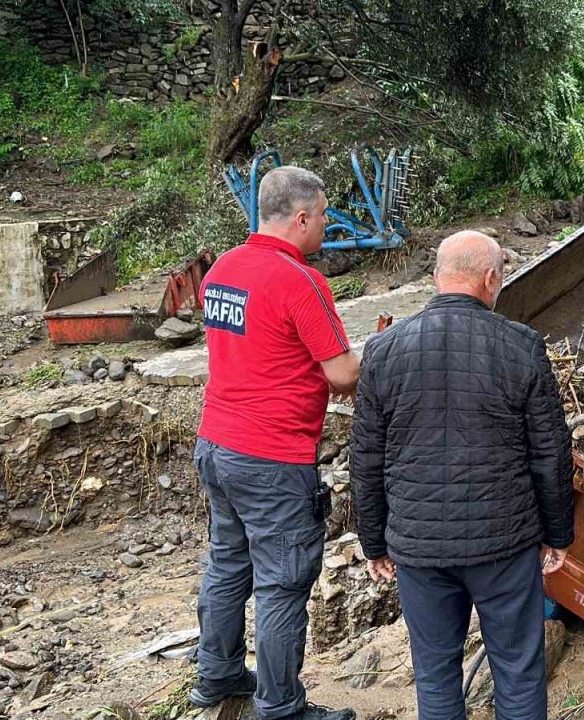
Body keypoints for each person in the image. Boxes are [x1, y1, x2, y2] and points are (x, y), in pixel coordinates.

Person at [351, 230, 575, 720]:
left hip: (420, 547)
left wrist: (374, 541)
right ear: (492, 279)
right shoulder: (522, 346)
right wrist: (557, 534)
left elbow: (365, 456)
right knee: (517, 671)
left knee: (435, 676)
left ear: (436, 278)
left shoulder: (383, 351)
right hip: (504, 545)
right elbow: (551, 452)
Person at [192, 166, 360, 720]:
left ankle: (216, 676)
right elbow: (341, 375)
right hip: (271, 456)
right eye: (326, 215)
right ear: (302, 217)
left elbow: (257, 348)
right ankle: (281, 706)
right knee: (283, 583)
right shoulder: (299, 280)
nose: (328, 225)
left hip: (217, 443)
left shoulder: (222, 270)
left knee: (227, 565)